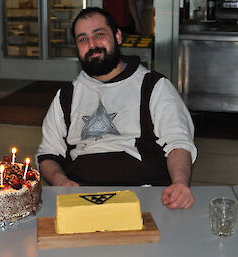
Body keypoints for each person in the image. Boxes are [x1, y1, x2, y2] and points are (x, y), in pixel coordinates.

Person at [36, 7, 197, 209]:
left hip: (144, 195)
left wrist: (179, 183)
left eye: (99, 35)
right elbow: (48, 155)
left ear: (118, 36)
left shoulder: (154, 86)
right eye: (83, 39)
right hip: (81, 197)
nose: (92, 44)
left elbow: (178, 143)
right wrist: (61, 182)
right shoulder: (66, 96)